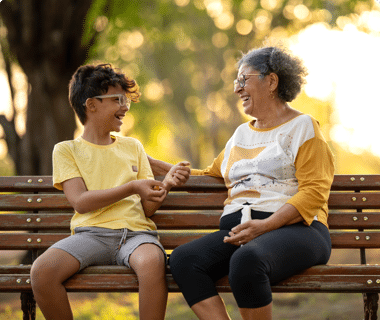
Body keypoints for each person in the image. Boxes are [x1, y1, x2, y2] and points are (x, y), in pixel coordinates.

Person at [149, 46, 334, 320]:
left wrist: (265, 226)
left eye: (243, 79)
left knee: (247, 261)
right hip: (242, 232)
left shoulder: (303, 127)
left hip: (300, 230)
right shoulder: (240, 135)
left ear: (271, 81)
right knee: (183, 260)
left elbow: (314, 191)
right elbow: (212, 175)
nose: (237, 89)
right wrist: (148, 162)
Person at [30, 63, 190, 320]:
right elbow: (80, 202)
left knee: (152, 262)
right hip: (90, 235)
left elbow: (147, 208)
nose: (125, 106)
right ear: (91, 105)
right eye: (117, 99)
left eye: (126, 99)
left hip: (135, 235)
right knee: (42, 272)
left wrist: (167, 184)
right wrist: (132, 187)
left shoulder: (132, 146)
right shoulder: (66, 150)